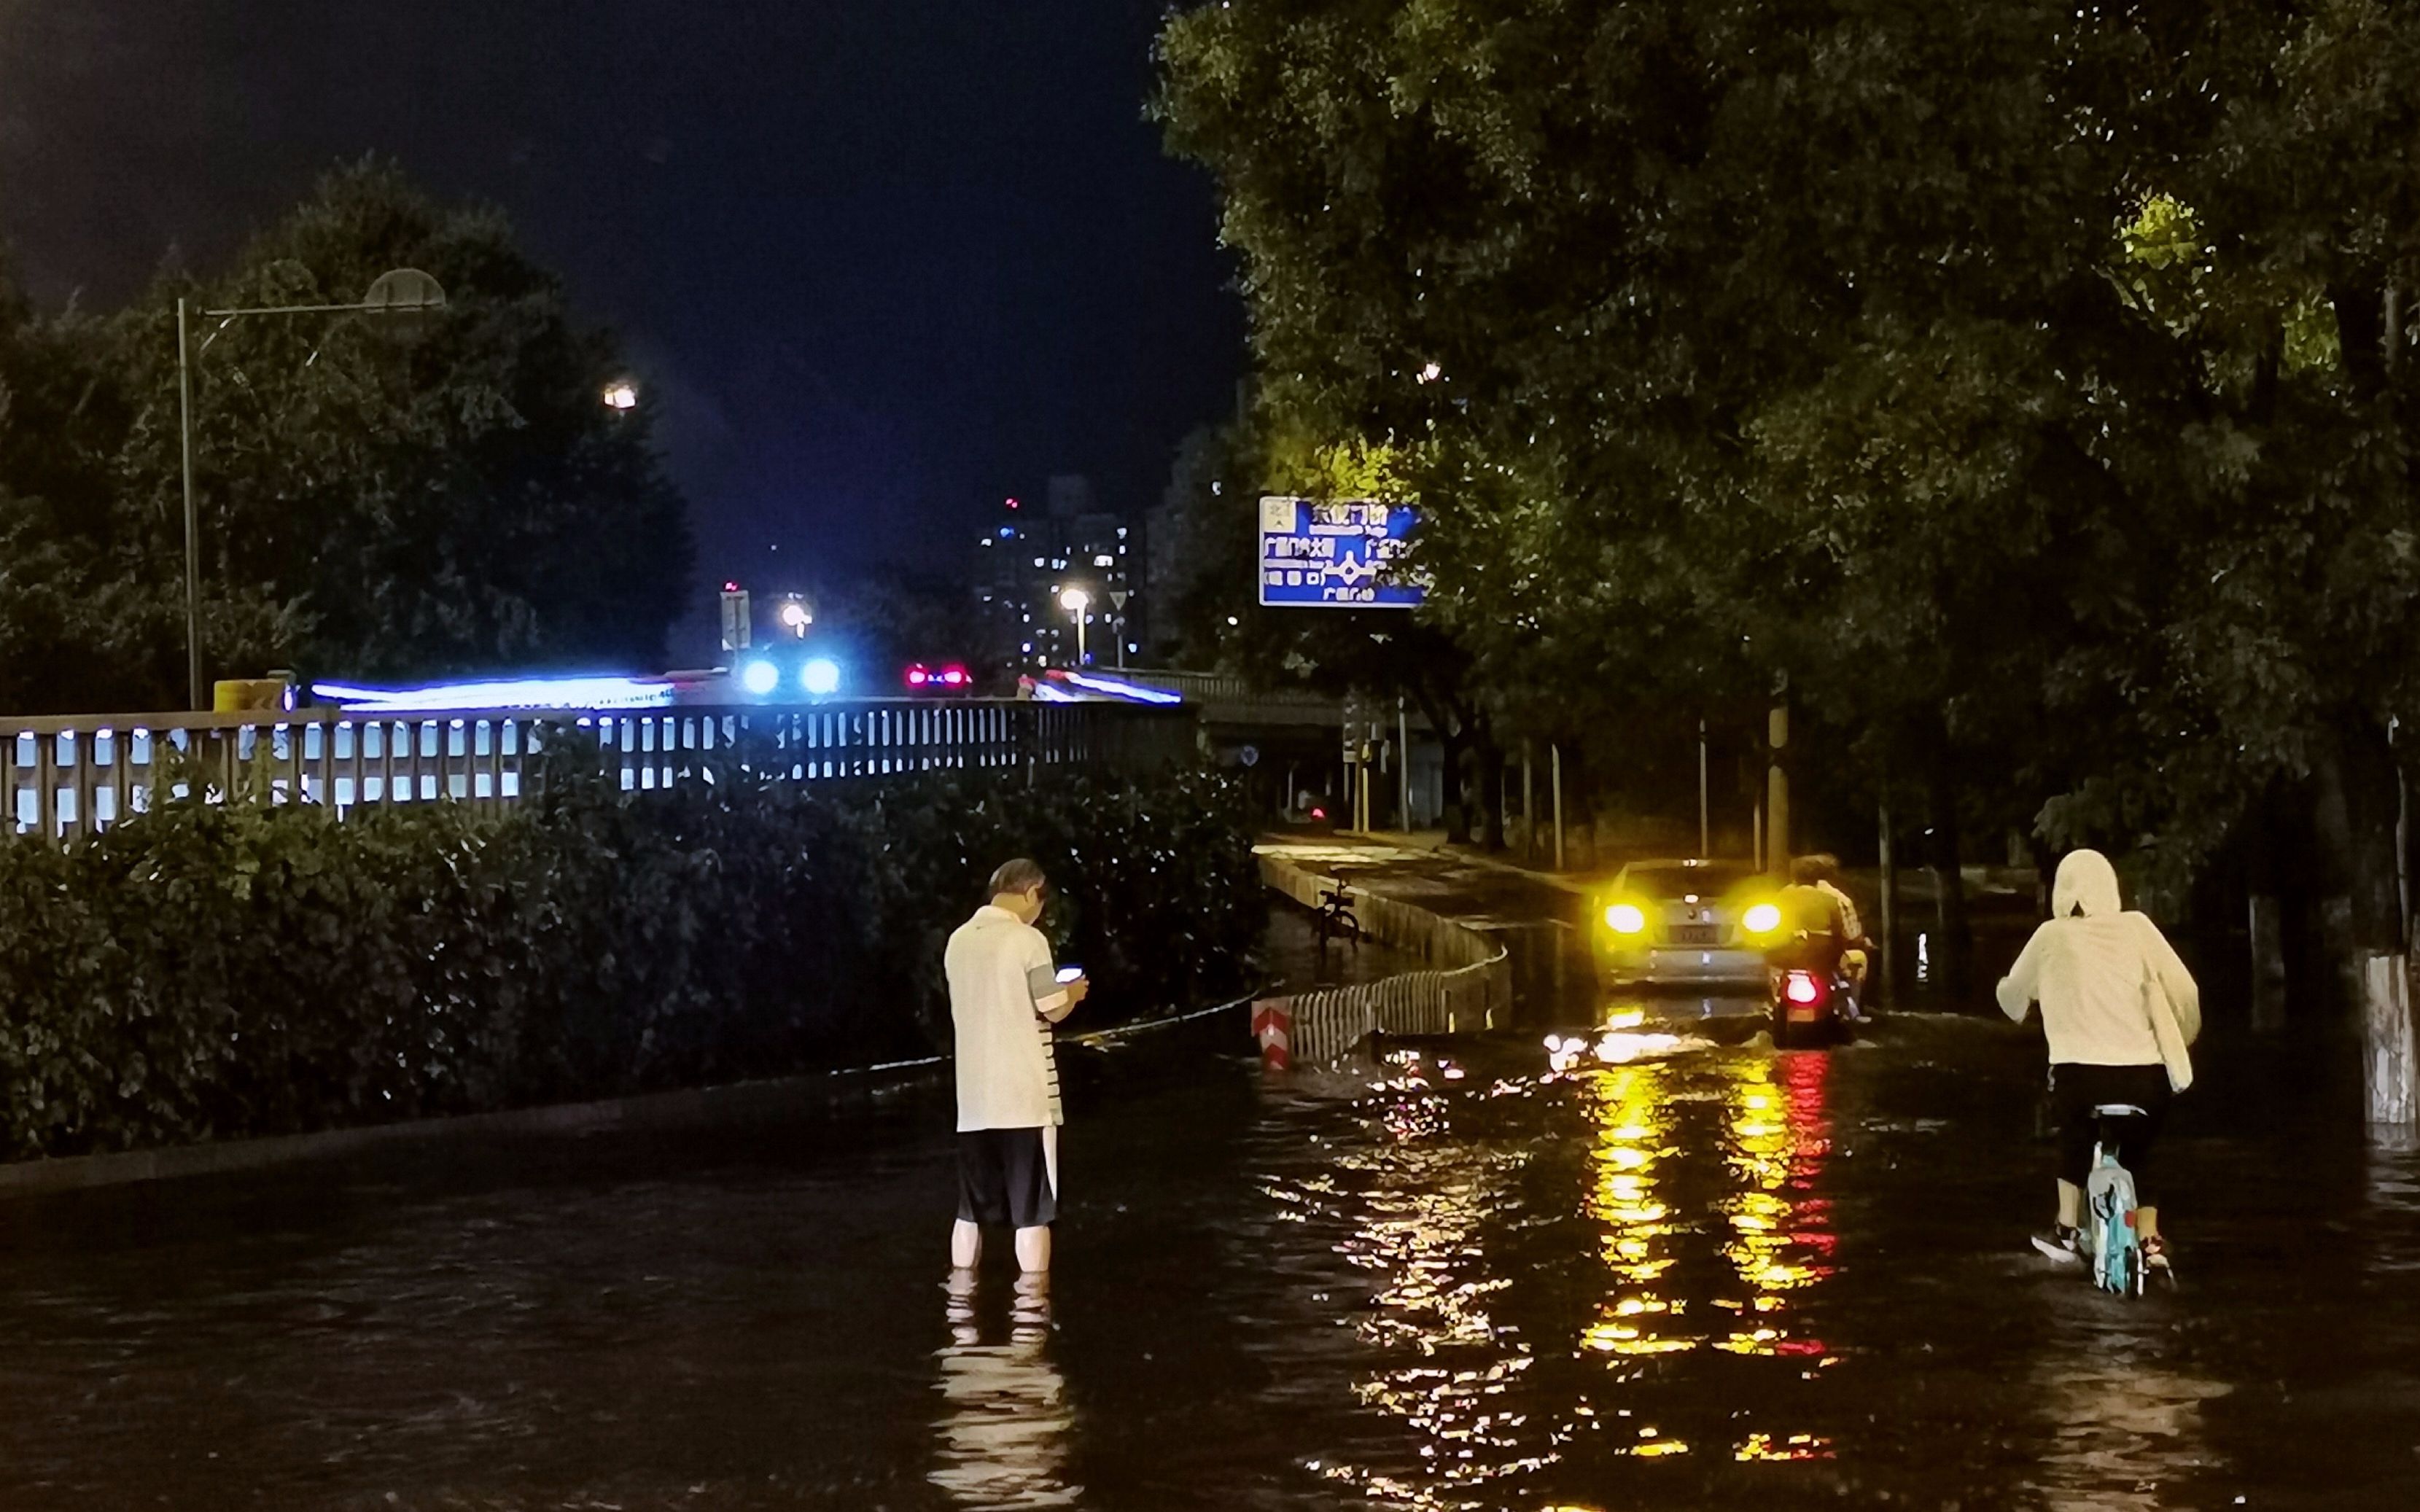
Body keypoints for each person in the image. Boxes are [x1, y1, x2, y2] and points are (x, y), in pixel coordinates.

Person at [1996, 849, 2199, 1271]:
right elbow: (2186, 992)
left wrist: (2017, 991)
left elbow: (2012, 999)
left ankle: (2067, 1230)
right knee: (2143, 1151)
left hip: (2079, 1077)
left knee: (2074, 1138)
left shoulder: (2051, 936)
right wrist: (2184, 1035)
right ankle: (2150, 1240)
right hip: (2148, 1079)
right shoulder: (2139, 928)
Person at [945, 858, 1088, 1275]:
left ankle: (962, 1311)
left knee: (969, 1211)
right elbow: (1051, 1006)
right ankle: (1032, 1317)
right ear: (1031, 893)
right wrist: (1073, 993)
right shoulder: (1028, 941)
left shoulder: (957, 941)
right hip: (1023, 1097)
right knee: (1032, 1212)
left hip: (972, 1100)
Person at [1810, 854, 1875, 1019]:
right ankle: (1850, 1013)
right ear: (1833, 875)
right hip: (1825, 958)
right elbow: (1852, 935)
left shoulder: (1786, 894)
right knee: (1859, 959)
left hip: (1787, 955)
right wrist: (1863, 943)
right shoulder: (1839, 899)